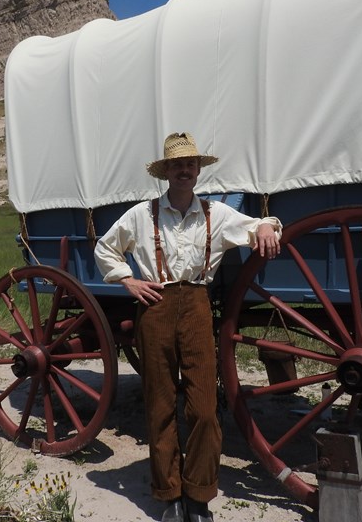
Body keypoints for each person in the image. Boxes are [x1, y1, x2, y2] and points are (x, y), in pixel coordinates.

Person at [94, 132, 282, 522]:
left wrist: (267, 226)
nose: (184, 170)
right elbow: (104, 248)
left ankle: (198, 496)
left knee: (204, 407)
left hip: (196, 306)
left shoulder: (216, 214)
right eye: (176, 165)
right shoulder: (141, 214)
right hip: (156, 307)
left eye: (190, 164)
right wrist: (127, 279)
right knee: (160, 405)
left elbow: (261, 226)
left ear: (198, 171)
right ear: (166, 172)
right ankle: (170, 496)